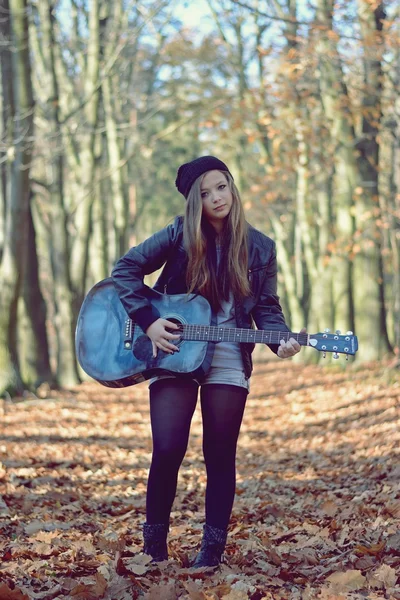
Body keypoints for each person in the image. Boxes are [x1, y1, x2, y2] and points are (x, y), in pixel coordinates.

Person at [111, 155, 303, 568]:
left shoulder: (261, 247)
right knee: (167, 448)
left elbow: (267, 308)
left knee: (220, 454)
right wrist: (149, 322)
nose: (218, 197)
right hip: (175, 351)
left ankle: (210, 553)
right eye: (205, 192)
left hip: (229, 354)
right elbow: (125, 269)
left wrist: (280, 341)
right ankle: (153, 551)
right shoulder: (179, 234)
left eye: (222, 186)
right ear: (193, 202)